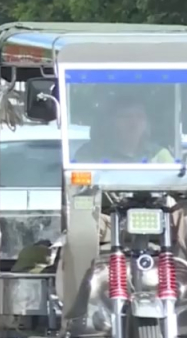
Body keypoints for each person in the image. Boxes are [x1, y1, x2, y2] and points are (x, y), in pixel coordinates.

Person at [72, 97, 181, 248]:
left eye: (139, 117)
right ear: (110, 122)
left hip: (158, 221)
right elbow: (79, 193)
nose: (133, 123)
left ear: (146, 123)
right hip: (111, 222)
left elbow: (178, 185)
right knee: (81, 223)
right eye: (125, 117)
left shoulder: (160, 154)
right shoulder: (89, 154)